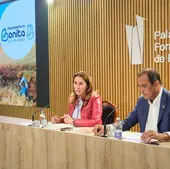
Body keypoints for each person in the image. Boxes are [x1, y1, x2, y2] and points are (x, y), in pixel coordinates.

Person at [93, 68, 170, 142]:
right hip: (146, 148)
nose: (141, 91)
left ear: (155, 84)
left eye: (144, 86)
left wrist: (163, 136)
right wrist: (107, 128)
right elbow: (127, 122)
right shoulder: (142, 101)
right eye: (139, 87)